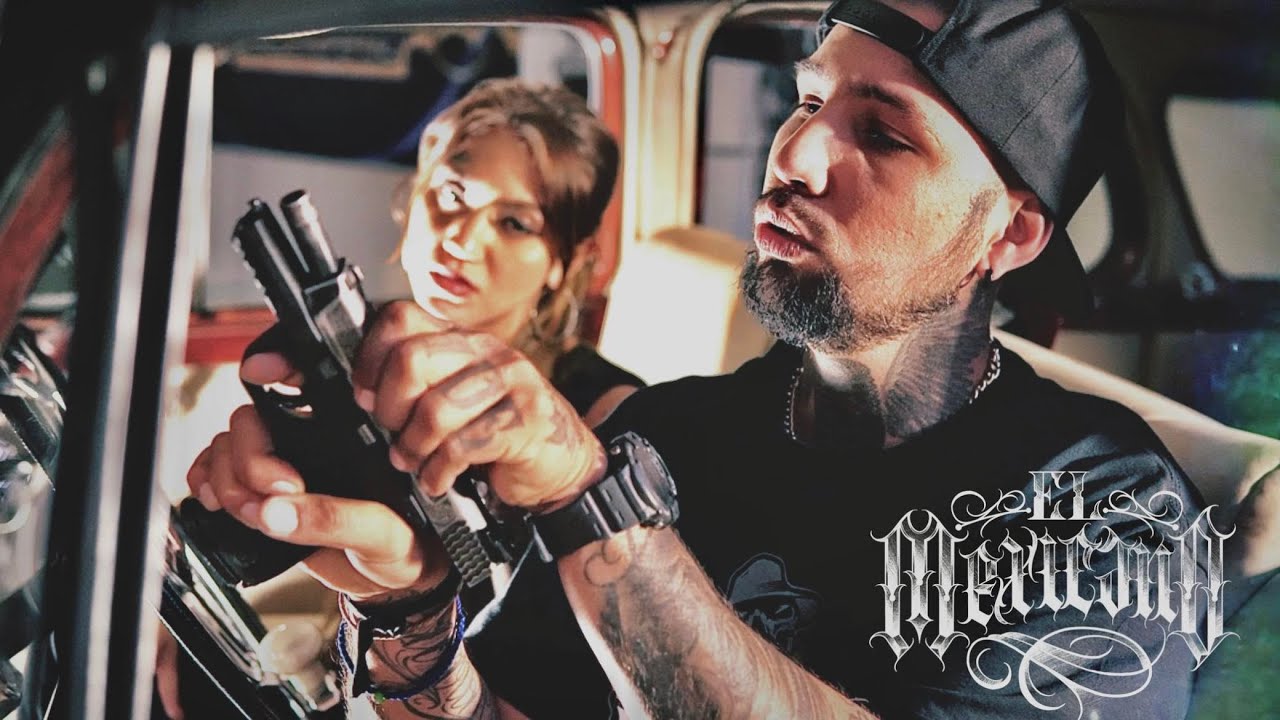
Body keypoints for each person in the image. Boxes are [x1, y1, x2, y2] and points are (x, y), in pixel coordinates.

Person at [187, 1, 1211, 718]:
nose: (794, 155)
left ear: (1009, 235)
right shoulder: (671, 433)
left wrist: (588, 500)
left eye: (884, 136)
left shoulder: (1107, 512)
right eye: (807, 101)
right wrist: (407, 611)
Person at [162, 78, 640, 719]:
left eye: (514, 223)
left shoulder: (607, 422)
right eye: (452, 195)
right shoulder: (375, 359)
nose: (461, 239)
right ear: (413, 198)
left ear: (564, 261)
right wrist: (177, 601)